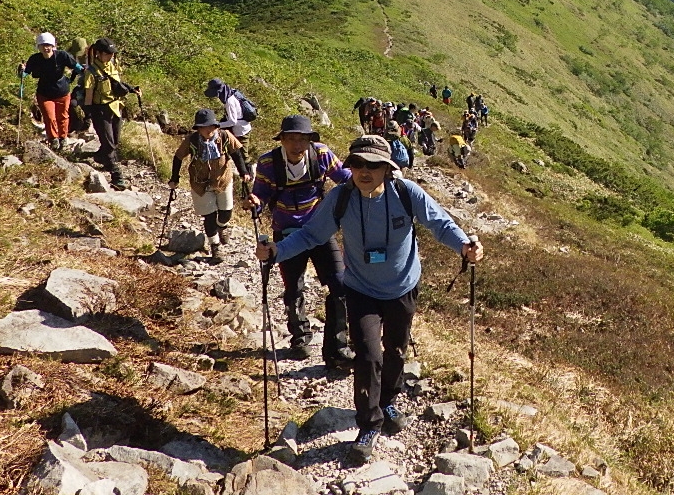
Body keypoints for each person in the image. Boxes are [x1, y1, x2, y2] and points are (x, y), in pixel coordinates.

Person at [256, 135, 483, 466]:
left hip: (403, 287)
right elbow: (309, 234)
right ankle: (369, 425)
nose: (364, 171)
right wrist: (277, 251)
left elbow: (439, 223)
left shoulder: (406, 194)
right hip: (361, 290)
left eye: (373, 165)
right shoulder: (341, 198)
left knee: (396, 350)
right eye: (358, 164)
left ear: (387, 169)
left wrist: (465, 246)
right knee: (367, 355)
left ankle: (388, 400)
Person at [250, 115, 356, 367]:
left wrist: (371, 177)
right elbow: (260, 194)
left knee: (340, 285)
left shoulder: (321, 155)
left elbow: (345, 177)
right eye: (292, 139)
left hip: (321, 229)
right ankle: (300, 338)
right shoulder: (268, 162)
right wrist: (254, 202)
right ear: (283, 140)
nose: (297, 144)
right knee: (294, 287)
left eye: (303, 139)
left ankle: (337, 347)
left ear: (310, 140)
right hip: (286, 233)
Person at [171, 109, 249, 261]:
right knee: (209, 217)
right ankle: (216, 247)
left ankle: (222, 226)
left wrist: (243, 171)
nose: (209, 130)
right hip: (200, 183)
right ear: (198, 128)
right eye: (205, 127)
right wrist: (175, 177)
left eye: (212, 126)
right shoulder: (192, 140)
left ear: (217, 126)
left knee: (226, 213)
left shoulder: (225, 136)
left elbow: (236, 153)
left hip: (223, 180)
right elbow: (178, 157)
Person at [79, 37, 139, 190]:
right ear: (98, 53)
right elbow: (89, 96)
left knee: (115, 140)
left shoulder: (112, 66)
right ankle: (117, 176)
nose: (111, 56)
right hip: (100, 110)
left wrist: (132, 89)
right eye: (107, 53)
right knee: (110, 144)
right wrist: (88, 114)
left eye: (112, 53)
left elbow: (116, 83)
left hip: (116, 108)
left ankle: (101, 156)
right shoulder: (91, 72)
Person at [19, 32, 81, 152]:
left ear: (53, 46)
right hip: (45, 93)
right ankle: (53, 140)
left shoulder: (62, 55)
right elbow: (26, 73)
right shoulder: (35, 59)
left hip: (62, 92)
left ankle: (63, 139)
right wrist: (22, 71)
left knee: (63, 116)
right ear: (39, 47)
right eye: (43, 45)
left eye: (48, 45)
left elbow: (75, 66)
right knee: (49, 117)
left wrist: (85, 71)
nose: (46, 48)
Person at [204, 78, 253, 148]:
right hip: (241, 128)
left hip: (241, 131)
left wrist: (216, 125)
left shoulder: (229, 102)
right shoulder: (231, 92)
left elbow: (233, 122)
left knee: (243, 155)